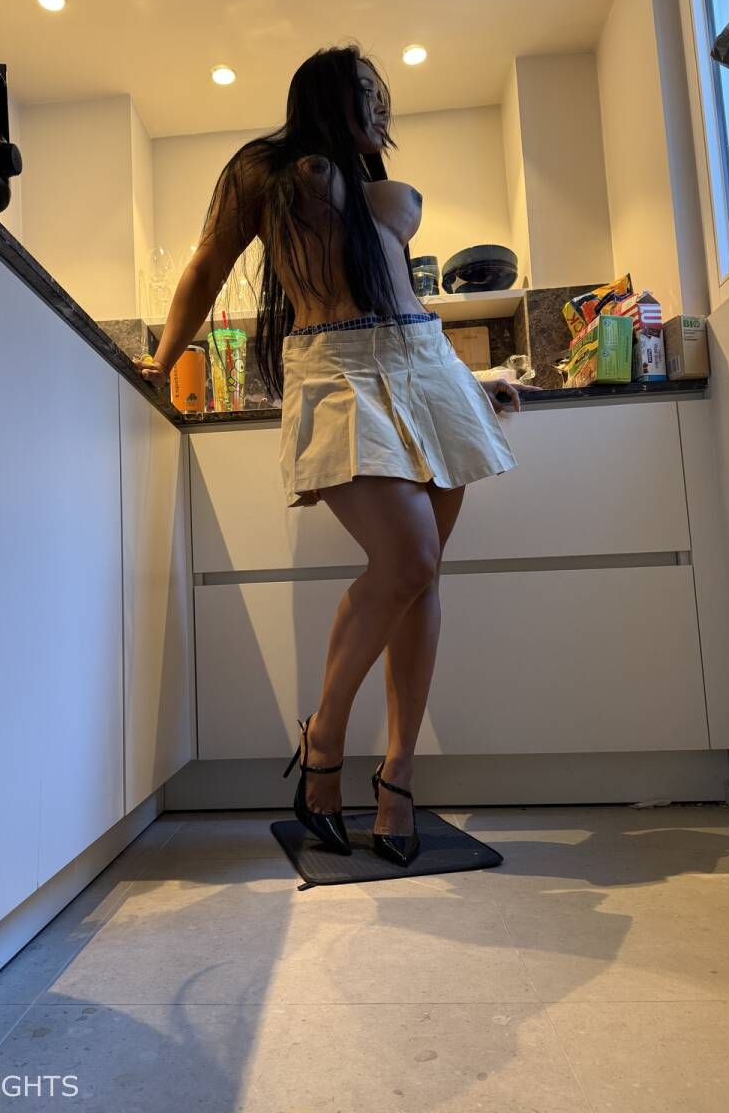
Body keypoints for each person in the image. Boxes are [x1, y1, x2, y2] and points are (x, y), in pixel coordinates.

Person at [139, 43, 540, 867]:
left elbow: (402, 299)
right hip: (336, 367)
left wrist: (475, 382)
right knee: (408, 560)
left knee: (421, 576)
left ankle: (398, 778)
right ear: (325, 98)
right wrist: (162, 356)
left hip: (428, 366)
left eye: (381, 93)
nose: (380, 105)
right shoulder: (270, 172)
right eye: (365, 91)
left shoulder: (366, 186)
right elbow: (206, 267)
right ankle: (323, 741)